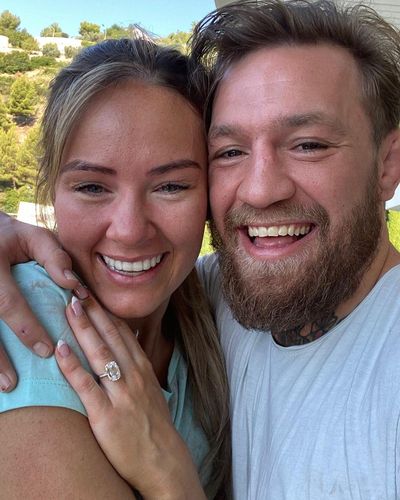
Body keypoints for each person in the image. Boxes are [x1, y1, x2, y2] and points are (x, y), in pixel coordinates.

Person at [1, 0, 400, 497]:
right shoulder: (218, 293)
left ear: (388, 164)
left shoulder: (210, 303)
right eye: (231, 152)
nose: (260, 190)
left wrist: (169, 479)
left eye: (308, 144)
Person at [0, 37, 230, 498]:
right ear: (53, 189)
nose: (129, 230)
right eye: (91, 187)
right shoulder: (27, 321)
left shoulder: (211, 310)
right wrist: (170, 481)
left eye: (171, 186)